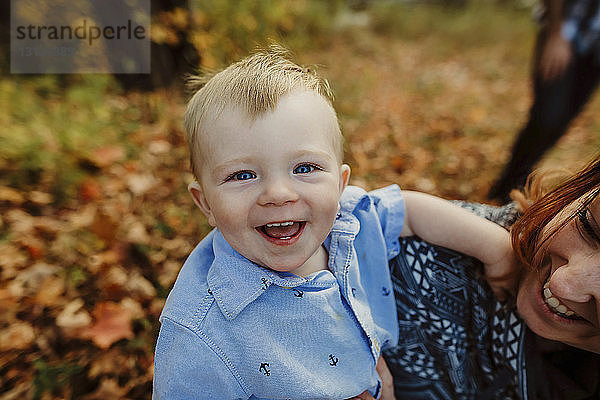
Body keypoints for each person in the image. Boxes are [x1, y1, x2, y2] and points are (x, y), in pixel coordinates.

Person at [152, 46, 517, 400]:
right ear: (206, 204)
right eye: (243, 175)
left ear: (340, 184)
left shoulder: (347, 222)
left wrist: (496, 248)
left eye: (305, 168)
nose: (278, 193)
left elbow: (409, 210)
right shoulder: (200, 334)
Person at [384, 154, 600, 399]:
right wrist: (490, 247)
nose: (563, 283)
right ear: (579, 190)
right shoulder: (421, 259)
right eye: (588, 227)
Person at [488, 0, 600, 203]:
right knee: (547, 116)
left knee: (562, 121)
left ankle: (513, 184)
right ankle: (509, 183)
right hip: (564, 32)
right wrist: (556, 34)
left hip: (595, 49)